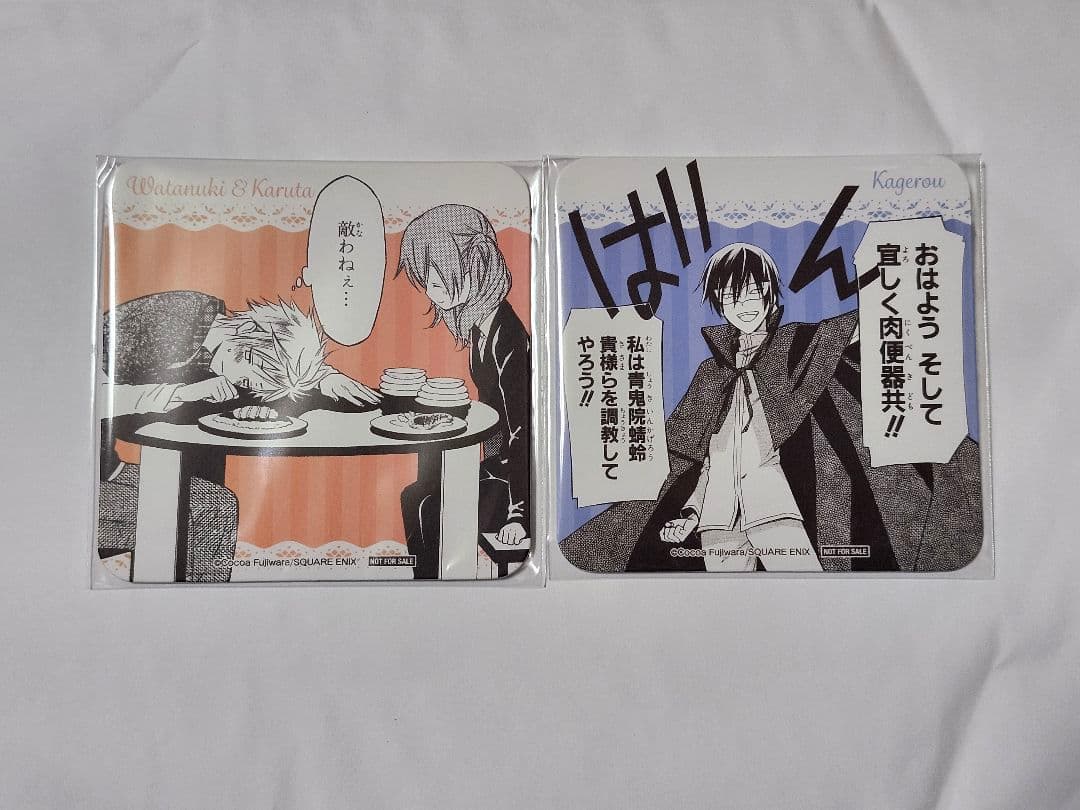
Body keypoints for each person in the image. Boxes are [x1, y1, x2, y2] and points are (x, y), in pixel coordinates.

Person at [560, 243, 983, 574]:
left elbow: (851, 328)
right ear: (719, 302)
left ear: (767, 291)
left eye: (750, 291)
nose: (742, 303)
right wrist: (690, 512)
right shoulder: (712, 372)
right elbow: (707, 455)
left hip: (776, 504)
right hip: (716, 519)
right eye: (730, 296)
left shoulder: (795, 344)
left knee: (806, 589)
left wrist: (903, 277)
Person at [98, 291, 379, 581]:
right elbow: (91, 396)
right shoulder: (172, 321)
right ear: (246, 334)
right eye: (246, 380)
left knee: (218, 505)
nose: (238, 385)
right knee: (206, 512)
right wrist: (181, 393)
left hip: (111, 470)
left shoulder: (220, 339)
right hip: (92, 487)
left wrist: (324, 376)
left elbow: (264, 355)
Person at [395, 204, 530, 579]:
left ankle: (436, 586)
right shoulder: (480, 328)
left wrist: (519, 513)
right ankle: (428, 587)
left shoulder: (509, 337)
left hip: (518, 481)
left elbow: (522, 430)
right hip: (498, 465)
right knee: (414, 494)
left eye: (439, 277)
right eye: (427, 280)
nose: (432, 290)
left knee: (429, 506)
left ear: (478, 264)